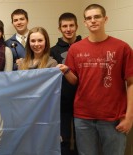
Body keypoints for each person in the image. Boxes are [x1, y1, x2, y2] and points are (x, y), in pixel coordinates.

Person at [57, 4, 133, 155]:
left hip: (113, 118)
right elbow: (76, 81)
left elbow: (131, 83)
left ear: (105, 19)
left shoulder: (122, 47)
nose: (93, 21)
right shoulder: (76, 48)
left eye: (97, 16)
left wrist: (129, 117)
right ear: (84, 22)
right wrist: (66, 71)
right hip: (83, 118)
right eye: (89, 18)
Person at [50, 12, 81, 155]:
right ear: (59, 28)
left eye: (71, 26)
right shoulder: (52, 51)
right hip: (61, 101)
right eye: (64, 26)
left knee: (82, 138)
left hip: (83, 100)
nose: (68, 29)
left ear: (77, 26)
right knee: (64, 138)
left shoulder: (85, 47)